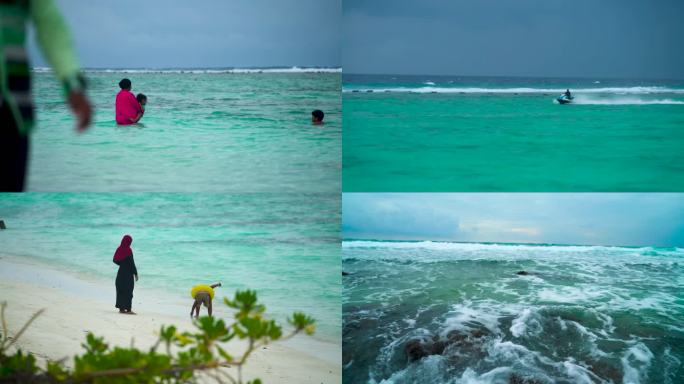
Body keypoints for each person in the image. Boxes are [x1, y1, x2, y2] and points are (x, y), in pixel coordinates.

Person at [1, 0, 92, 192]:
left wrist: (72, 83)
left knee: (9, 203)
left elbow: (51, 26)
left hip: (14, 108)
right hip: (15, 104)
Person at [113, 235, 139, 314]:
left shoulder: (119, 249)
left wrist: (122, 263)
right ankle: (128, 309)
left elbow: (115, 260)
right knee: (128, 291)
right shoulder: (128, 250)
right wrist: (136, 273)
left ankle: (121, 309)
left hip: (121, 273)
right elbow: (132, 263)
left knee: (120, 290)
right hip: (128, 274)